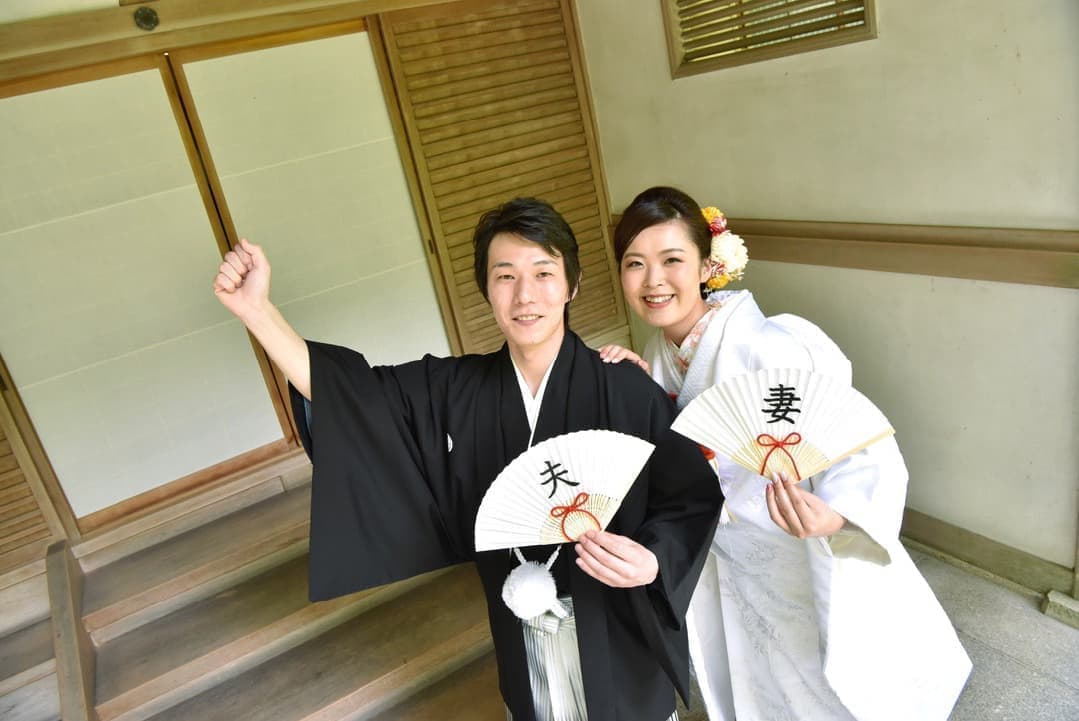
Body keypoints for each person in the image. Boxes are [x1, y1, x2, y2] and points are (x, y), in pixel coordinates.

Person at [213, 197, 723, 721]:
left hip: (617, 629)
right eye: (505, 276)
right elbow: (352, 395)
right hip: (519, 624)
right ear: (486, 289)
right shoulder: (456, 387)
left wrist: (655, 558)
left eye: (544, 273)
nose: (525, 295)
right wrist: (258, 311)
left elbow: (689, 496)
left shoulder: (623, 386)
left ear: (571, 285)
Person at [602, 186, 971, 721]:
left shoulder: (770, 346)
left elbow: (858, 441)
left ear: (708, 265)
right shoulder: (657, 360)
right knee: (759, 685)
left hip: (799, 549)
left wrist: (838, 513)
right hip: (726, 562)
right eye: (635, 263)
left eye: (672, 260)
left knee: (828, 687)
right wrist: (636, 393)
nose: (653, 280)